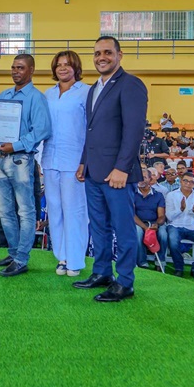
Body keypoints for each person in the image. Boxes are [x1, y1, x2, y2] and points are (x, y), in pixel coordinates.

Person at [73, 36, 148, 302]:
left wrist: (122, 168)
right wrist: (84, 161)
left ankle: (125, 281)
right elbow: (91, 130)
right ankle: (102, 272)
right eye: (97, 53)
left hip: (117, 174)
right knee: (99, 226)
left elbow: (134, 130)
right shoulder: (94, 88)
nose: (101, 57)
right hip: (93, 171)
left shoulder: (130, 84)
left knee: (123, 228)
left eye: (107, 52)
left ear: (119, 54)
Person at [0, 54, 51, 277]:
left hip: (21, 159)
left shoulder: (36, 98)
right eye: (14, 67)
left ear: (31, 70)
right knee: (4, 211)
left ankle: (22, 258)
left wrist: (15, 145)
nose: (16, 71)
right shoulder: (4, 95)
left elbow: (43, 130)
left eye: (21, 67)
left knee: (25, 211)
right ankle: (14, 252)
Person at [42, 50, 89, 277]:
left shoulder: (86, 92)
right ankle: (61, 256)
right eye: (59, 65)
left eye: (67, 64)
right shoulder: (48, 94)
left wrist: (85, 161)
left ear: (75, 68)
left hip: (74, 161)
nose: (63, 68)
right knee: (55, 210)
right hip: (50, 159)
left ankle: (75, 260)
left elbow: (92, 129)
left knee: (74, 211)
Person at [165, 172, 194, 281]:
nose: (188, 184)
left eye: (191, 182)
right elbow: (169, 217)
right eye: (185, 181)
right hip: (175, 225)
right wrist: (180, 209)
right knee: (172, 240)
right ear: (181, 181)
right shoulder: (171, 195)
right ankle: (179, 268)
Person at [134, 168, 167, 270]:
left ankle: (160, 262)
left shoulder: (158, 195)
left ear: (150, 179)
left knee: (163, 234)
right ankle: (142, 262)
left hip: (154, 222)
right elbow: (132, 214)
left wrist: (156, 224)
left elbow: (161, 216)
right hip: (138, 223)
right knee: (138, 232)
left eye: (144, 177)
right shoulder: (132, 193)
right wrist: (145, 227)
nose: (141, 180)